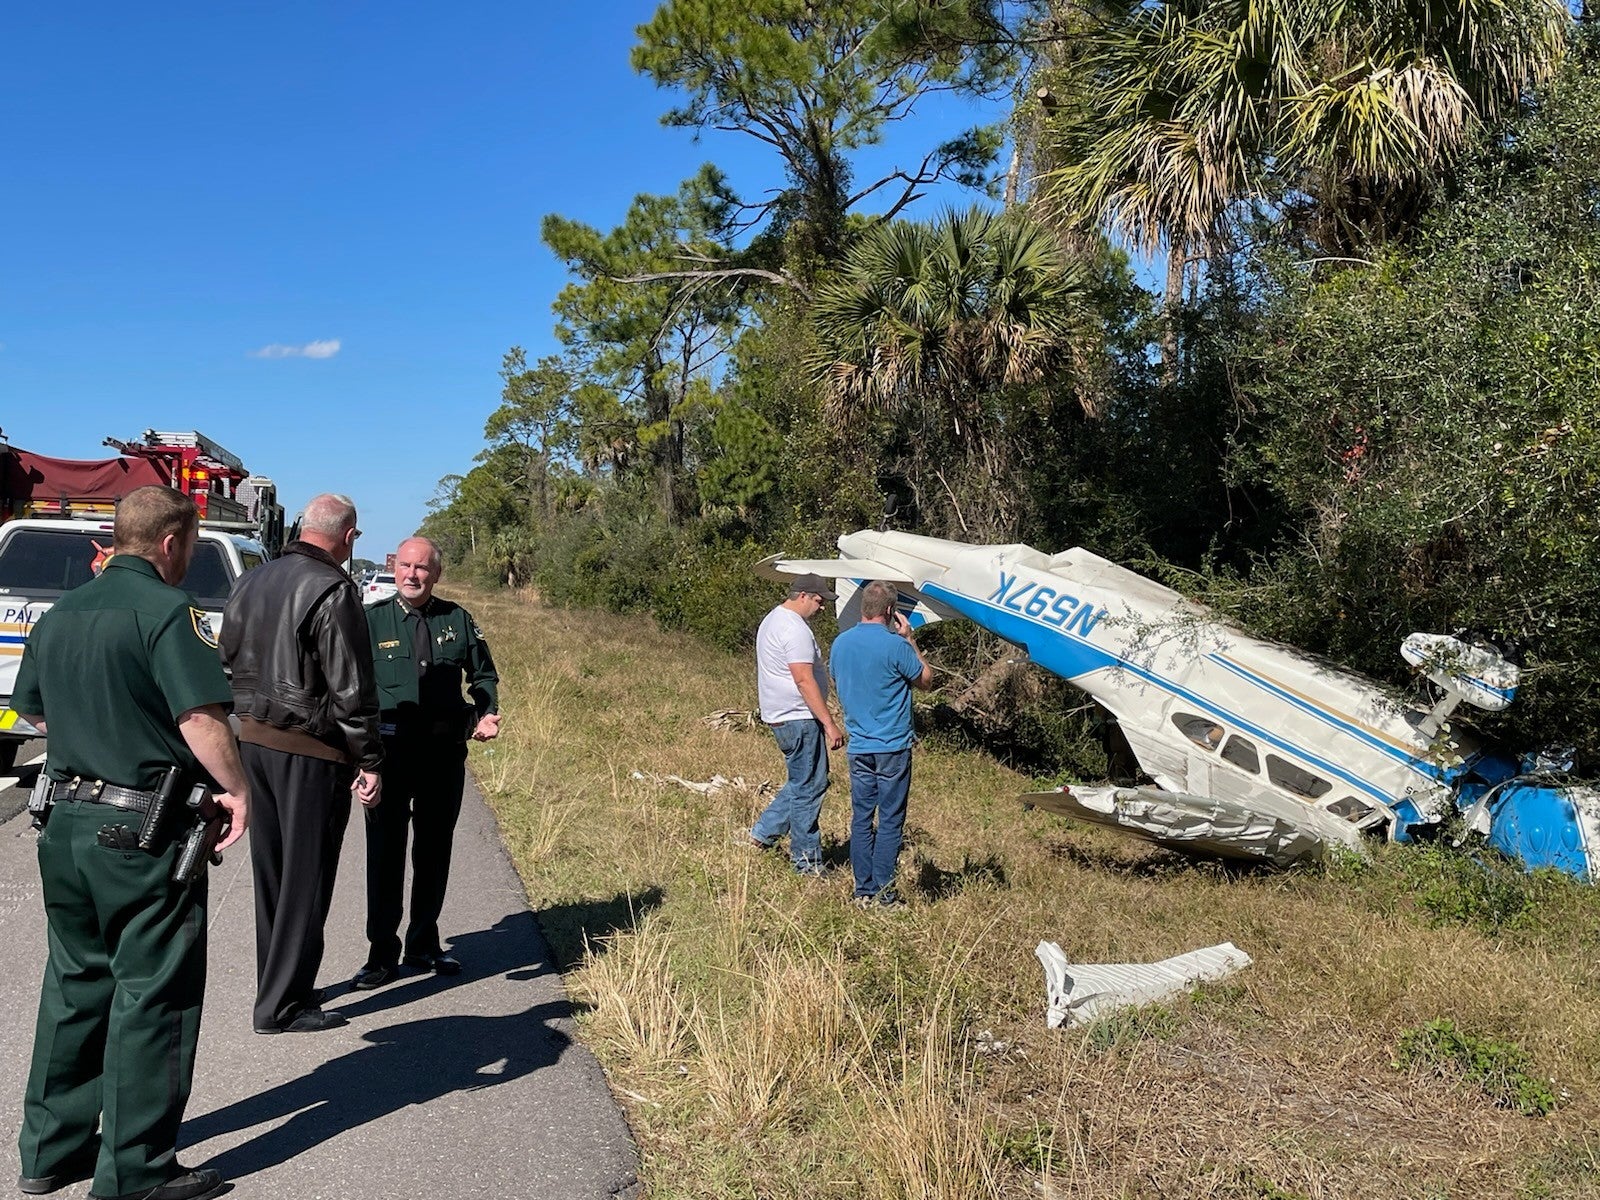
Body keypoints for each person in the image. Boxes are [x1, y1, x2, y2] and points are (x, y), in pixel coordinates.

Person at [12, 485, 249, 1200]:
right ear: (173, 543)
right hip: (140, 833)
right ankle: (137, 1172)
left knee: (75, 983)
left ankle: (50, 1153)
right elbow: (201, 720)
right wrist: (239, 791)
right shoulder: (168, 611)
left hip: (65, 823)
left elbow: (33, 713)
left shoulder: (61, 615)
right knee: (153, 994)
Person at [219, 493, 383, 1034]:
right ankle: (282, 1005)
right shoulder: (334, 589)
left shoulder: (251, 581)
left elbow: (225, 656)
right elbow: (352, 688)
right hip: (309, 748)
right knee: (306, 877)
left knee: (272, 872)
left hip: (253, 742)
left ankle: (280, 985)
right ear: (348, 535)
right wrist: (370, 757)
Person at [351, 536, 500, 988]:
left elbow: (483, 674)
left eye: (422, 568)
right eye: (405, 566)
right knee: (385, 855)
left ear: (436, 574)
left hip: (442, 756)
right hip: (389, 755)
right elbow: (350, 688)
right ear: (394, 568)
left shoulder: (456, 619)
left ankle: (423, 944)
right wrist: (359, 756)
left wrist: (486, 710)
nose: (412, 575)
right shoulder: (370, 621)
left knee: (434, 852)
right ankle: (381, 954)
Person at [827, 580, 934, 906]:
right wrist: (911, 640)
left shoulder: (840, 644)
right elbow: (926, 681)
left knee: (861, 818)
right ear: (890, 611)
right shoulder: (895, 646)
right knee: (889, 820)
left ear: (863, 607)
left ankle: (863, 890)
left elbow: (836, 679)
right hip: (892, 746)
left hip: (859, 746)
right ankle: (884, 894)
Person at [749, 573, 845, 876]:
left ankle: (763, 834)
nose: (821, 608)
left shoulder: (773, 620)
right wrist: (829, 722)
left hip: (782, 715)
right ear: (802, 595)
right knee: (810, 788)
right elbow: (803, 680)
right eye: (818, 601)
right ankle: (806, 863)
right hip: (798, 716)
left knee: (804, 781)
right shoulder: (795, 629)